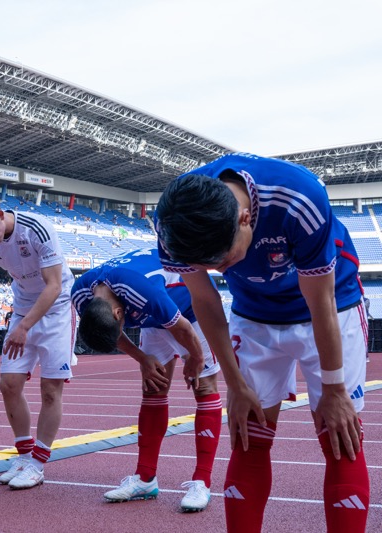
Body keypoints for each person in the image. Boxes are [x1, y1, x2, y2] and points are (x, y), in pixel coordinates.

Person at [155, 153, 369, 532]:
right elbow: (205, 301)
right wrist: (234, 383)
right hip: (253, 313)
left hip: (331, 303)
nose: (222, 270)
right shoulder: (174, 220)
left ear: (244, 218)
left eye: (222, 259)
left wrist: (334, 388)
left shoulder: (299, 196)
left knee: (340, 435)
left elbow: (320, 301)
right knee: (248, 437)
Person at [71, 248, 221, 511]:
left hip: (190, 310)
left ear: (119, 314)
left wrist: (196, 359)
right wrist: (142, 358)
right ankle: (145, 478)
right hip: (153, 320)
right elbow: (107, 329)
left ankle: (202, 481)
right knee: (153, 388)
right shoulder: (81, 293)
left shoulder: (142, 289)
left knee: (203, 385)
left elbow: (182, 327)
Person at [0, 188, 76, 490]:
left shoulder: (37, 229)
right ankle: (23, 456)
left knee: (50, 389)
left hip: (58, 308)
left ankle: (38, 463)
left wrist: (23, 328)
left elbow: (53, 286)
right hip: (23, 309)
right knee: (8, 384)